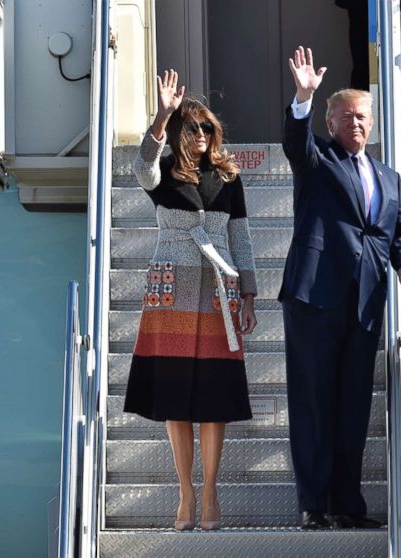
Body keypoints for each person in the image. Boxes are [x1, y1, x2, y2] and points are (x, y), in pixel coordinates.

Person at [280, 46, 401, 530]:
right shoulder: (318, 159)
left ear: (372, 124)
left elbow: (399, 232)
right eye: (345, 117)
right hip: (315, 298)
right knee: (314, 402)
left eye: (362, 116)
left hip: (365, 303)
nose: (355, 123)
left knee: (353, 405)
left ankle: (346, 505)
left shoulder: (389, 178)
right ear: (331, 122)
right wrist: (303, 98)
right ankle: (314, 505)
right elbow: (295, 142)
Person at [123, 69, 258, 532]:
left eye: (207, 127)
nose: (201, 134)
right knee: (175, 395)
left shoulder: (229, 176)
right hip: (171, 289)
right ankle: (186, 493)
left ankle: (211, 492)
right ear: (180, 132)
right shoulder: (162, 173)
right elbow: (140, 167)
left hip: (219, 290)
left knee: (215, 394)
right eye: (193, 127)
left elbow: (242, 237)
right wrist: (162, 117)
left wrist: (249, 293)